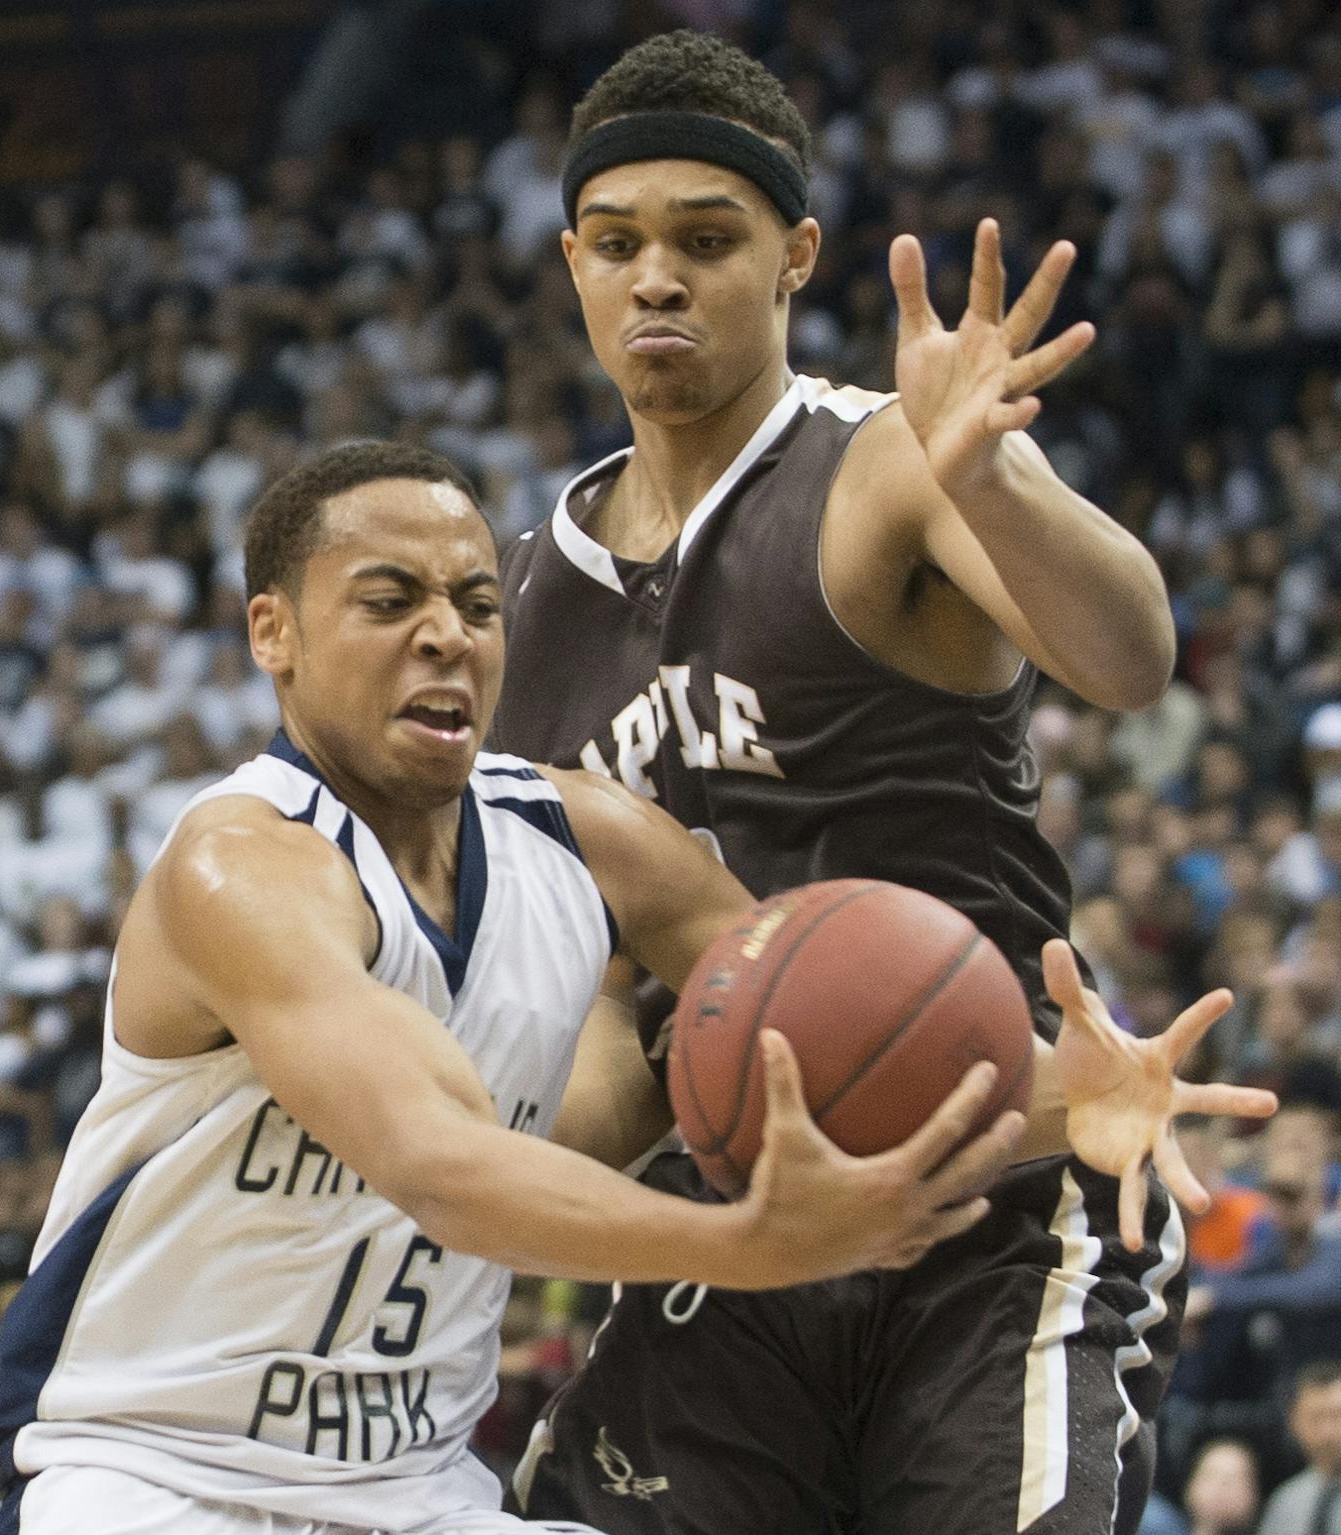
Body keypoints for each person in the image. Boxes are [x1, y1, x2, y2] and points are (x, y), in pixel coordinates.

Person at [0, 439, 1050, 1535]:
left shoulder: (596, 839)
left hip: (422, 1495)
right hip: (151, 1478)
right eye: (389, 601)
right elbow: (441, 1165)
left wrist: (1074, 1091)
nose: (447, 633)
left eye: (477, 604)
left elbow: (849, 1031)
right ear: (271, 633)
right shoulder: (240, 868)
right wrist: (756, 1243)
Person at [491, 29, 1271, 1535]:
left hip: (1005, 1186)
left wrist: (992, 476)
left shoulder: (885, 466)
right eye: (619, 241)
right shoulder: (524, 603)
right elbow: (599, 1018)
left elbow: (1131, 651)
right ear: (571, 261)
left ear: (792, 256)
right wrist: (471, 1162)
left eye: (706, 241)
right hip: (739, 1220)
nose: (657, 276)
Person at [1255, 1363, 1341, 1535]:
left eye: (1337, 1416)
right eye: (1316, 1418)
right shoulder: (1285, 1502)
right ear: (1294, 1422)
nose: (1328, 1432)